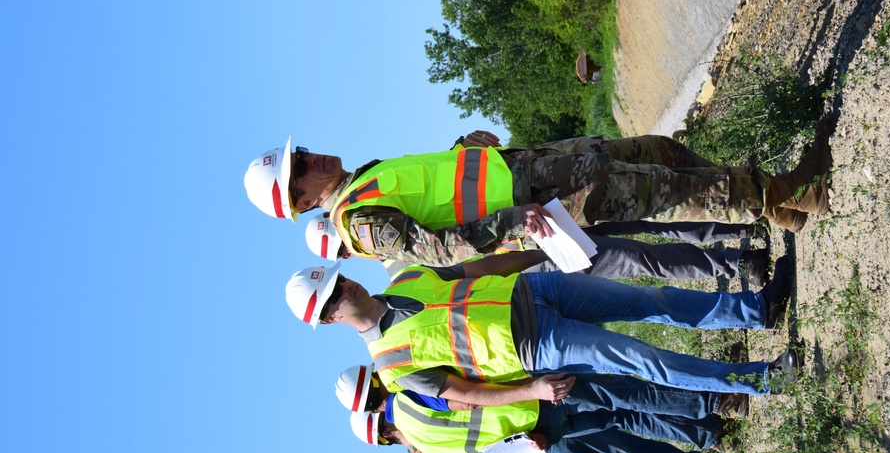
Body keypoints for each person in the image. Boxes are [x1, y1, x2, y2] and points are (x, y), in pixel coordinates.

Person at [245, 127, 833, 265]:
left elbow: (444, 188)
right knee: (672, 191)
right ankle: (795, 193)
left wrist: (463, 146)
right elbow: (443, 248)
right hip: (544, 196)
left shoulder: (366, 176)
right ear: (300, 201)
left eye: (303, 153)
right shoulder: (358, 223)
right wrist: (513, 224)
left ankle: (779, 208)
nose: (314, 157)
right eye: (303, 167)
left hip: (533, 163)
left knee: (662, 153)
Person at [284, 252, 800, 408]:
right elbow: (465, 394)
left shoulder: (406, 278)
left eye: (337, 280)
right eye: (332, 297)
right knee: (648, 360)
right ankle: (759, 380)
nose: (343, 289)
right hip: (537, 345)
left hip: (535, 290)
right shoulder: (391, 368)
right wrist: (531, 389)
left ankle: (758, 309)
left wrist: (539, 254)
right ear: (328, 318)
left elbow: (476, 272)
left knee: (650, 299)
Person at [347, 372, 733, 453]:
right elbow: (467, 409)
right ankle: (700, 448)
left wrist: (520, 446)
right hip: (534, 426)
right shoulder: (411, 410)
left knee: (619, 428)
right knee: (620, 426)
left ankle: (700, 449)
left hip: (533, 439)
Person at [305, 210, 772, 284]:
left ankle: (735, 231)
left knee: (640, 221)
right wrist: (541, 257)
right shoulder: (402, 273)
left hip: (534, 217)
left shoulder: (394, 219)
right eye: (345, 249)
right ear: (346, 257)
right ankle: (736, 265)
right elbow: (474, 274)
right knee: (637, 257)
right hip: (539, 257)